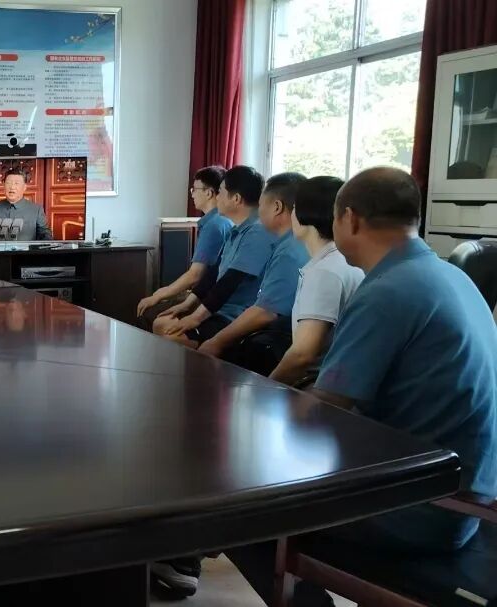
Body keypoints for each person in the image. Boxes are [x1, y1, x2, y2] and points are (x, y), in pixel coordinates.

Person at [227, 167, 497, 606]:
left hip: (422, 508)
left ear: (348, 219)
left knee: (239, 511)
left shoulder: (388, 291)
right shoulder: (450, 275)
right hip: (462, 496)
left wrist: (252, 411)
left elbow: (325, 408)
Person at [195, 173, 309, 374]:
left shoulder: (289, 250)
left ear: (276, 207)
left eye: (261, 204)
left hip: (277, 336)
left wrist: (216, 342)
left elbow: (265, 312)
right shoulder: (287, 243)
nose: (258, 210)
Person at [153, 166, 276, 348]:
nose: (217, 197)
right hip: (220, 309)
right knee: (161, 323)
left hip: (235, 316)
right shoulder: (237, 229)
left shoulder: (257, 233)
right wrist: (187, 305)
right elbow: (213, 273)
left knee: (171, 336)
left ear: (236, 199)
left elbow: (229, 282)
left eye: (221, 192)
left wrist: (195, 318)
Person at [268, 177, 363, 386]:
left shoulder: (324, 272)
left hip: (319, 384)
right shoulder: (344, 260)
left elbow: (302, 355)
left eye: (294, 208)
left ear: (305, 214)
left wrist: (266, 386)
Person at [137, 166, 232, 323]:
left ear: (209, 193)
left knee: (148, 311)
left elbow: (195, 275)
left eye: (195, 189)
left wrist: (161, 295)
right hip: (212, 293)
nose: (192, 194)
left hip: (207, 298)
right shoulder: (224, 220)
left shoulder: (213, 226)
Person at [0, 168, 53, 241]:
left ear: (24, 188)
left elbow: (46, 236)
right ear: (4, 186)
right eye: (8, 183)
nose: (12, 187)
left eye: (16, 183)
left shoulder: (36, 210)